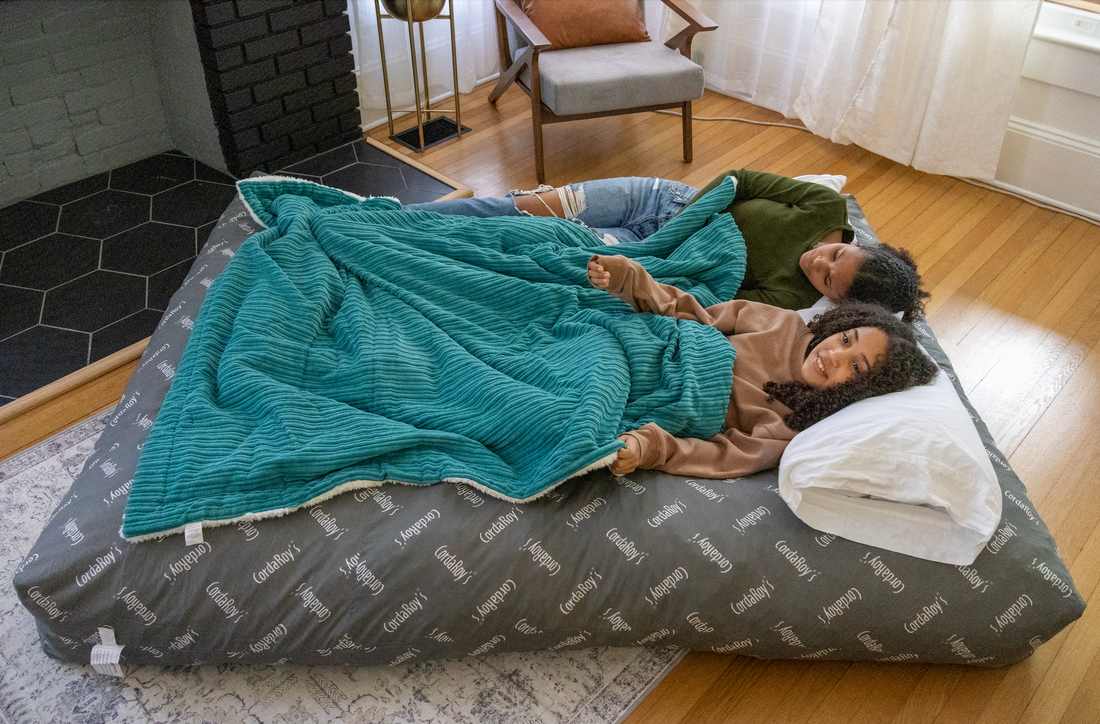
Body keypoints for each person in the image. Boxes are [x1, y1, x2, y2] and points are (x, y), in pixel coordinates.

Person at [586, 254, 938, 479]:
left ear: (861, 392)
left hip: (653, 398)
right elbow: (695, 315)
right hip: (646, 344)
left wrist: (648, 447)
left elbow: (723, 456)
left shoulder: (791, 424)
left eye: (856, 368)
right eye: (846, 340)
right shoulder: (783, 323)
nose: (835, 355)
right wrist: (630, 279)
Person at [407, 170, 929, 321]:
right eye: (833, 255)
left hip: (653, 251)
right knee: (512, 207)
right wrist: (672, 232)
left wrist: (650, 257)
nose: (815, 262)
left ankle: (414, 241)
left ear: (831, 297)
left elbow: (713, 292)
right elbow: (737, 182)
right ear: (858, 244)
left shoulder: (791, 298)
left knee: (521, 236)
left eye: (824, 278)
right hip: (660, 198)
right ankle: (399, 217)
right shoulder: (824, 207)